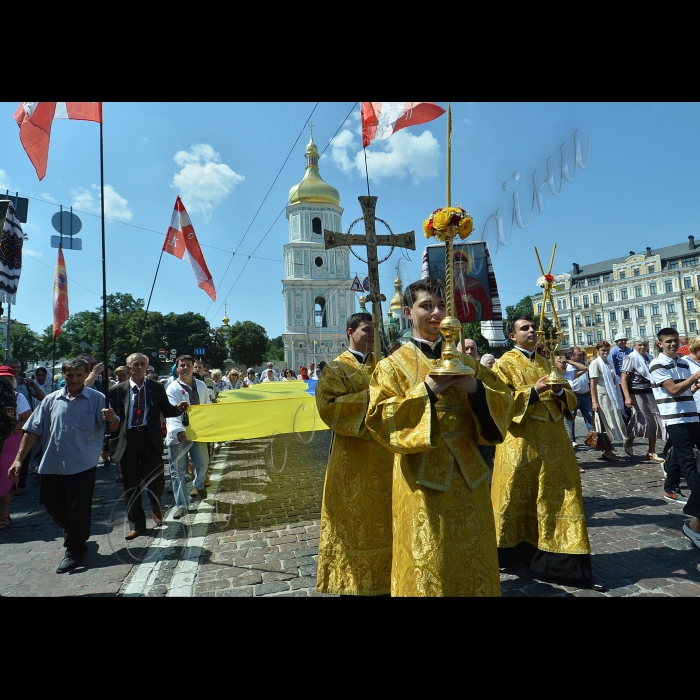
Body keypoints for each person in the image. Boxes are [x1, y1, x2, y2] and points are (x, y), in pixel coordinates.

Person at [366, 278, 513, 597]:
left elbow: (504, 400)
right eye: (426, 306)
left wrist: (473, 389)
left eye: (442, 306)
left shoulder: (468, 363)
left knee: (473, 555)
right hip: (420, 480)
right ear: (408, 312)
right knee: (428, 558)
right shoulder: (391, 366)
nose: (436, 313)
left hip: (468, 477)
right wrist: (430, 389)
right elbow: (380, 418)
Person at [491, 316, 601, 590]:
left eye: (533, 327)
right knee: (519, 498)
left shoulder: (546, 362)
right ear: (512, 336)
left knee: (563, 495)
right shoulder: (504, 364)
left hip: (554, 443)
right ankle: (515, 553)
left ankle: (561, 562)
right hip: (522, 443)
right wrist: (535, 391)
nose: (532, 331)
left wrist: (561, 394)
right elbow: (499, 404)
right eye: (524, 328)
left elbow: (570, 398)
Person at [8, 358, 119, 573]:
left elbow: (114, 426)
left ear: (86, 375)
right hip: (52, 463)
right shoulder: (51, 400)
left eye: (79, 375)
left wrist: (112, 418)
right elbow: (32, 430)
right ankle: (74, 529)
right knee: (51, 504)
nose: (74, 379)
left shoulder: (98, 399)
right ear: (64, 375)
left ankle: (75, 550)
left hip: (82, 464)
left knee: (79, 509)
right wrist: (18, 459)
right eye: (70, 375)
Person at [316, 312, 394, 596]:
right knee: (352, 523)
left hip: (386, 456)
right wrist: (372, 398)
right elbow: (328, 407)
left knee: (385, 520)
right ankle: (351, 584)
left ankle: (386, 582)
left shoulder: (385, 366)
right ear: (350, 332)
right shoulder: (336, 369)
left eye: (374, 330)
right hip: (352, 458)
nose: (371, 335)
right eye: (365, 330)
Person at [108, 353, 187, 539]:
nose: (139, 367)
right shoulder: (117, 391)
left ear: (147, 367)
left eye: (142, 364)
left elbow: (166, 409)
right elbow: (112, 420)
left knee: (156, 480)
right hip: (128, 440)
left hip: (150, 439)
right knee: (131, 484)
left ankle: (155, 504)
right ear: (128, 368)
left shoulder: (156, 388)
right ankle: (137, 524)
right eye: (135, 364)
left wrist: (177, 409)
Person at [649, 328, 700, 506]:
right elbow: (673, 389)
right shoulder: (657, 364)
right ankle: (697, 497)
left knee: (680, 455)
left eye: (675, 340)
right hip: (675, 418)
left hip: (692, 415)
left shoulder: (683, 363)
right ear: (660, 343)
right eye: (669, 341)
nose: (673, 344)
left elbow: (685, 391)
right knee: (688, 458)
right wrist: (694, 378)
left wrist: (695, 385)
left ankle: (671, 488)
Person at [166, 354, 211, 519]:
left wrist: (210, 427)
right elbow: (171, 412)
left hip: (198, 432)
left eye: (188, 365)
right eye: (182, 365)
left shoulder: (201, 386)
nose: (185, 368)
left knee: (203, 462)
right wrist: (179, 431)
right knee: (177, 471)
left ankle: (198, 483)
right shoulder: (172, 388)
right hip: (178, 433)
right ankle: (182, 505)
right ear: (177, 368)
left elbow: (206, 408)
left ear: (193, 367)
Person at [620, 338, 666, 463]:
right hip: (636, 393)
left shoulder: (650, 358)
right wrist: (627, 397)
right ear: (634, 346)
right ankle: (629, 440)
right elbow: (623, 379)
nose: (642, 347)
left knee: (655, 420)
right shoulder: (631, 358)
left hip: (652, 392)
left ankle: (651, 451)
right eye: (639, 345)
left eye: (644, 345)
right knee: (641, 420)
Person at [0, 366, 31, 531]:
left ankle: (4, 514)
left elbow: (28, 420)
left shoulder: (18, 397)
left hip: (10, 442)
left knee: (6, 477)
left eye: (6, 378)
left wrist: (7, 428)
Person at [589, 340, 627, 461]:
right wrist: (594, 401)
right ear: (597, 351)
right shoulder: (595, 363)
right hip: (602, 397)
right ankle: (608, 451)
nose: (605, 352)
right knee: (605, 424)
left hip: (611, 397)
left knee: (613, 422)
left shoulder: (609, 362)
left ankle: (608, 450)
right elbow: (593, 383)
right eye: (603, 350)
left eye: (607, 350)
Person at [554, 355, 587, 466]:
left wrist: (569, 361)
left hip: (568, 408)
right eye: (561, 362)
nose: (564, 365)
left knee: (568, 434)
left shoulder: (569, 375)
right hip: (556, 409)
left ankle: (571, 462)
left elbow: (584, 368)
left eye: (564, 363)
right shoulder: (552, 375)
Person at [564, 346, 593, 448]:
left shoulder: (581, 364)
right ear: (571, 356)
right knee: (571, 418)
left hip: (585, 395)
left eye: (582, 354)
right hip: (574, 395)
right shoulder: (567, 367)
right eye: (578, 354)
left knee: (590, 417)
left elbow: (587, 381)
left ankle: (593, 438)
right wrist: (569, 362)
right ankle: (572, 440)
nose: (581, 356)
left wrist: (590, 396)